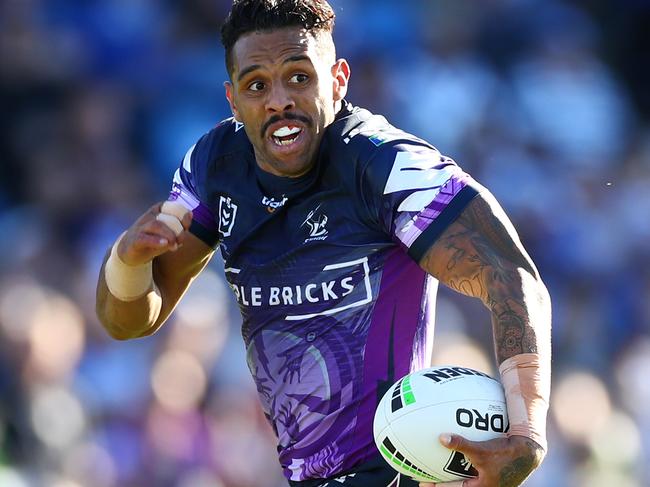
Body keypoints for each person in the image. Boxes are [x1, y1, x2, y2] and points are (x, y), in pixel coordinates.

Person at [95, 1, 552, 486]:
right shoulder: (214, 166)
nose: (279, 101)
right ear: (233, 100)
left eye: (298, 76)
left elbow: (512, 276)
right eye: (257, 85)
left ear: (338, 79)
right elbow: (127, 322)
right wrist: (128, 259)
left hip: (393, 475)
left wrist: (527, 432)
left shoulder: (386, 166)